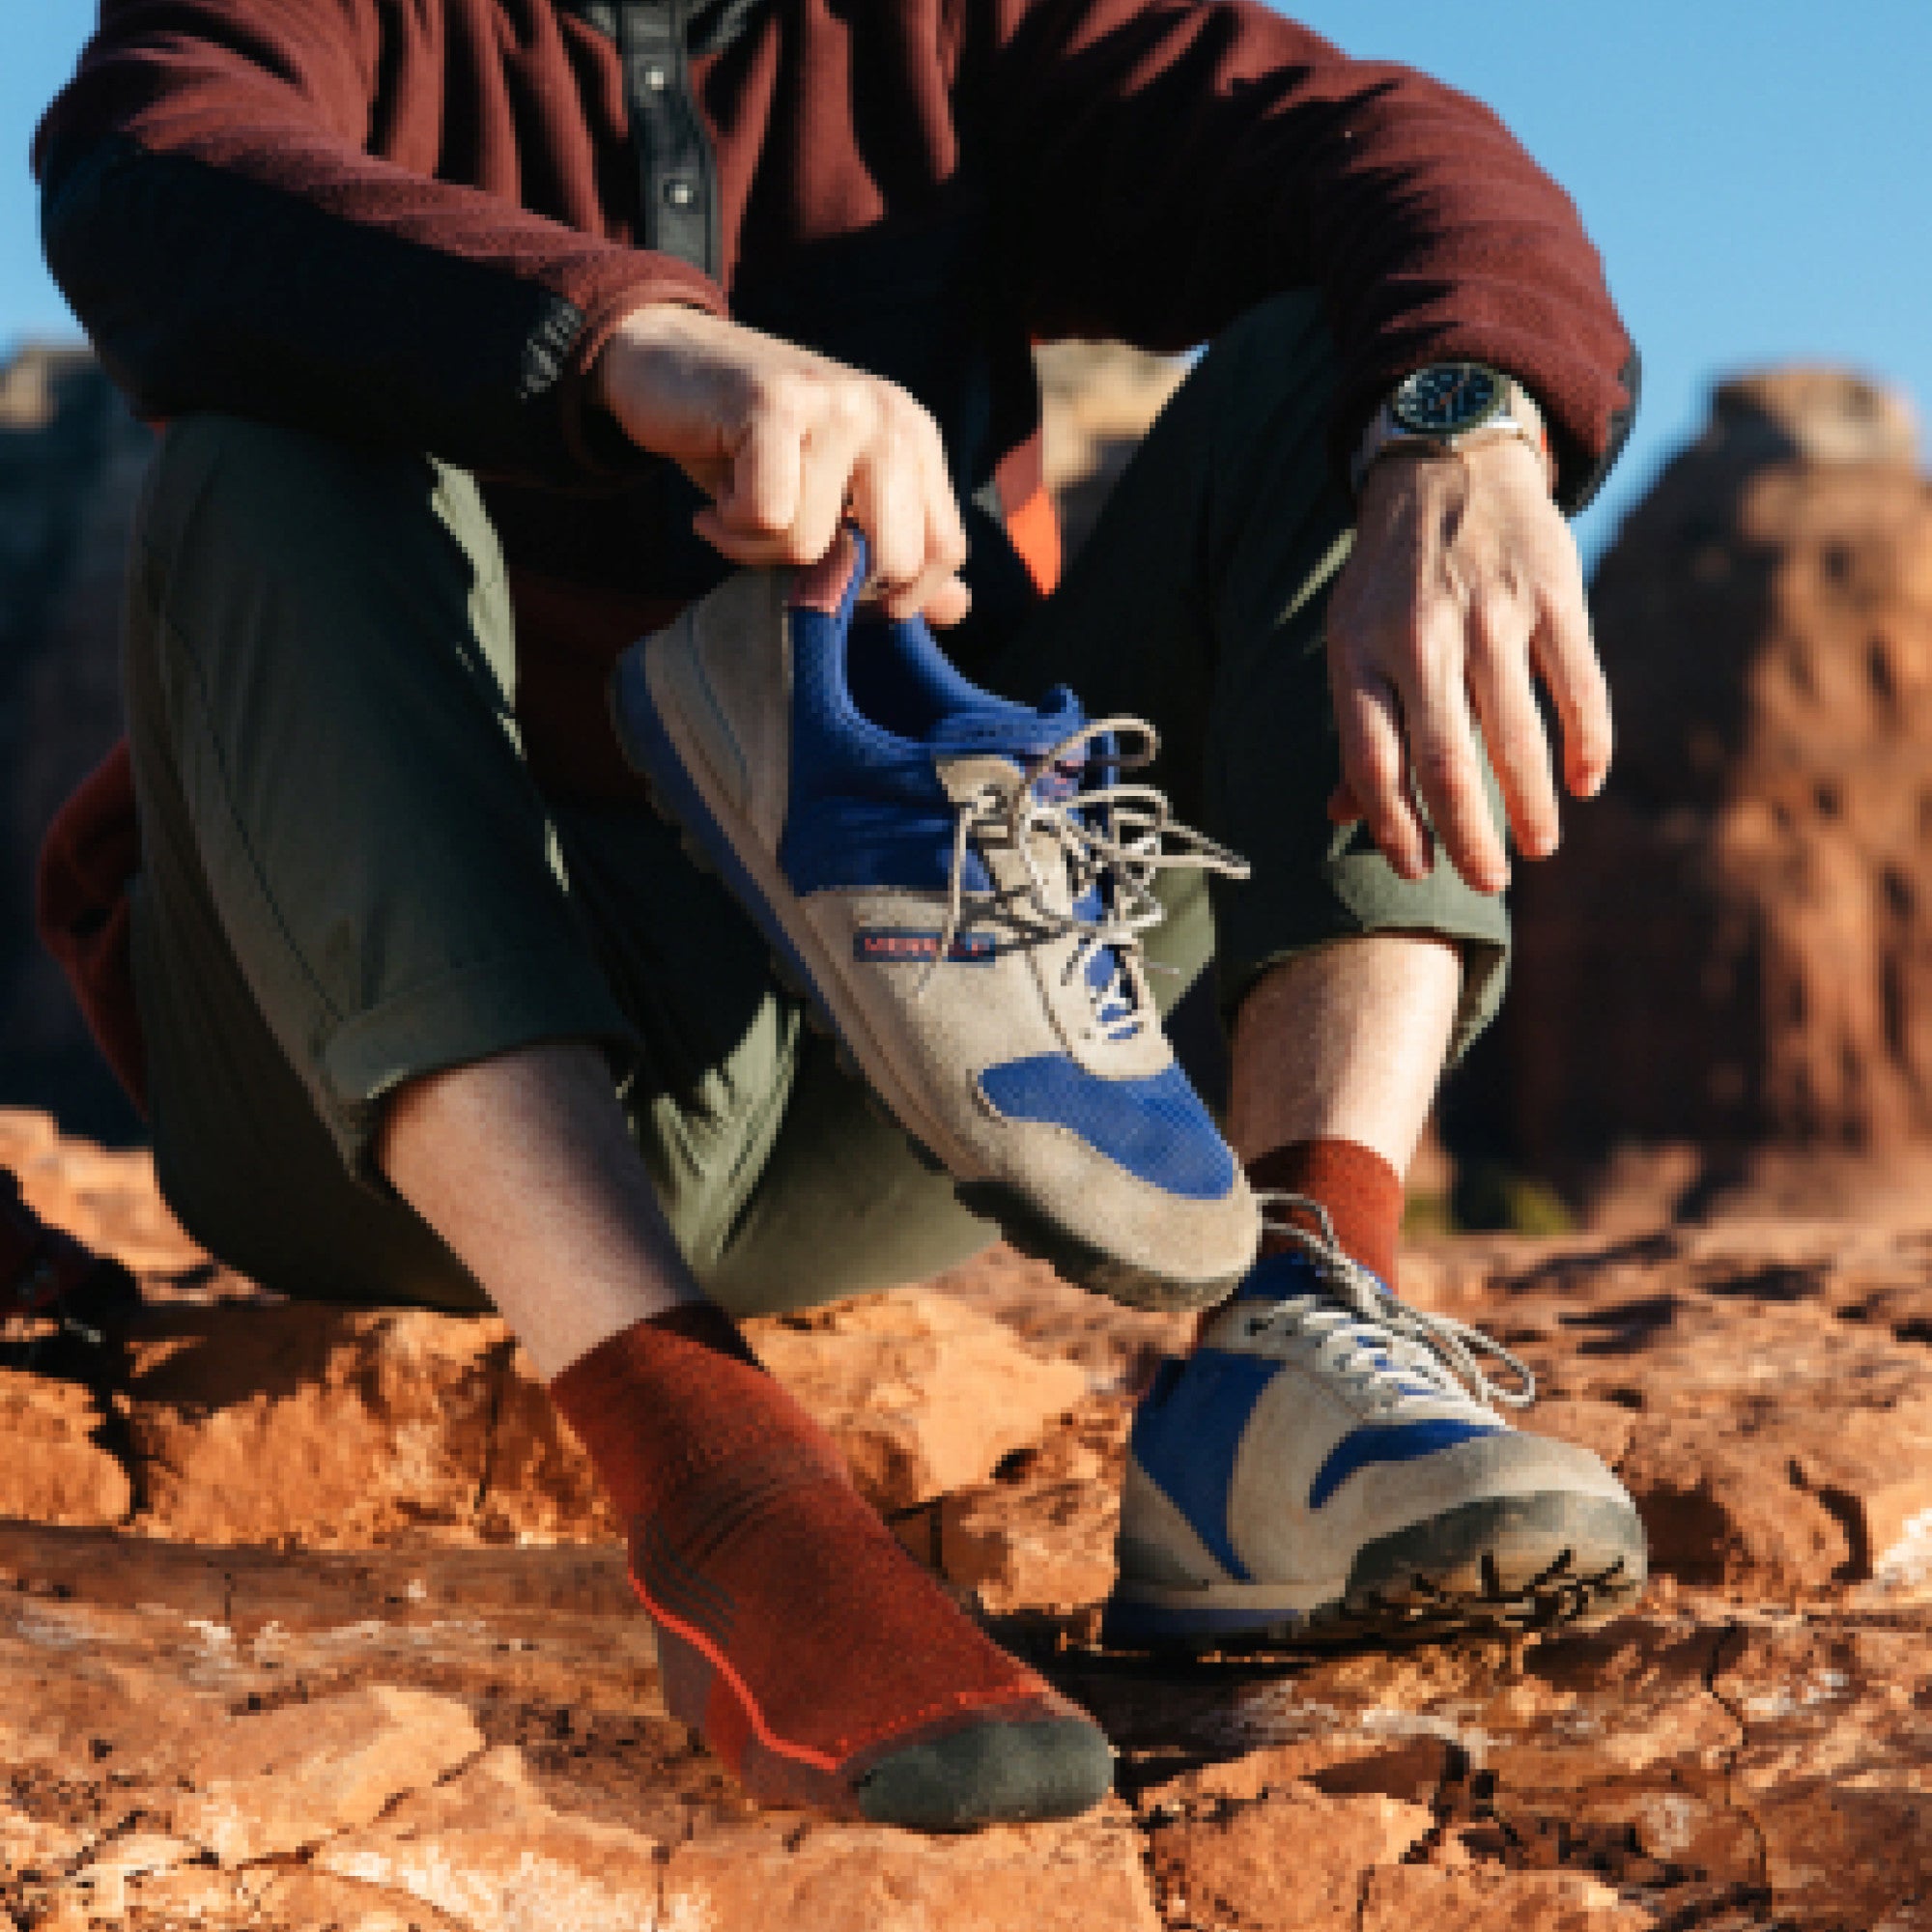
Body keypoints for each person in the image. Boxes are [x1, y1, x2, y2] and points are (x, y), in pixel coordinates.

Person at [33, 0, 1645, 1831]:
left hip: (892, 1068)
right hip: (363, 1107)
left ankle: (1295, 1350)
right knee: (267, 436)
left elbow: (1384, 138)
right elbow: (146, 165)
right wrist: (631, 344)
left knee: (1344, 371)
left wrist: (1470, 422)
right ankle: (715, 1487)